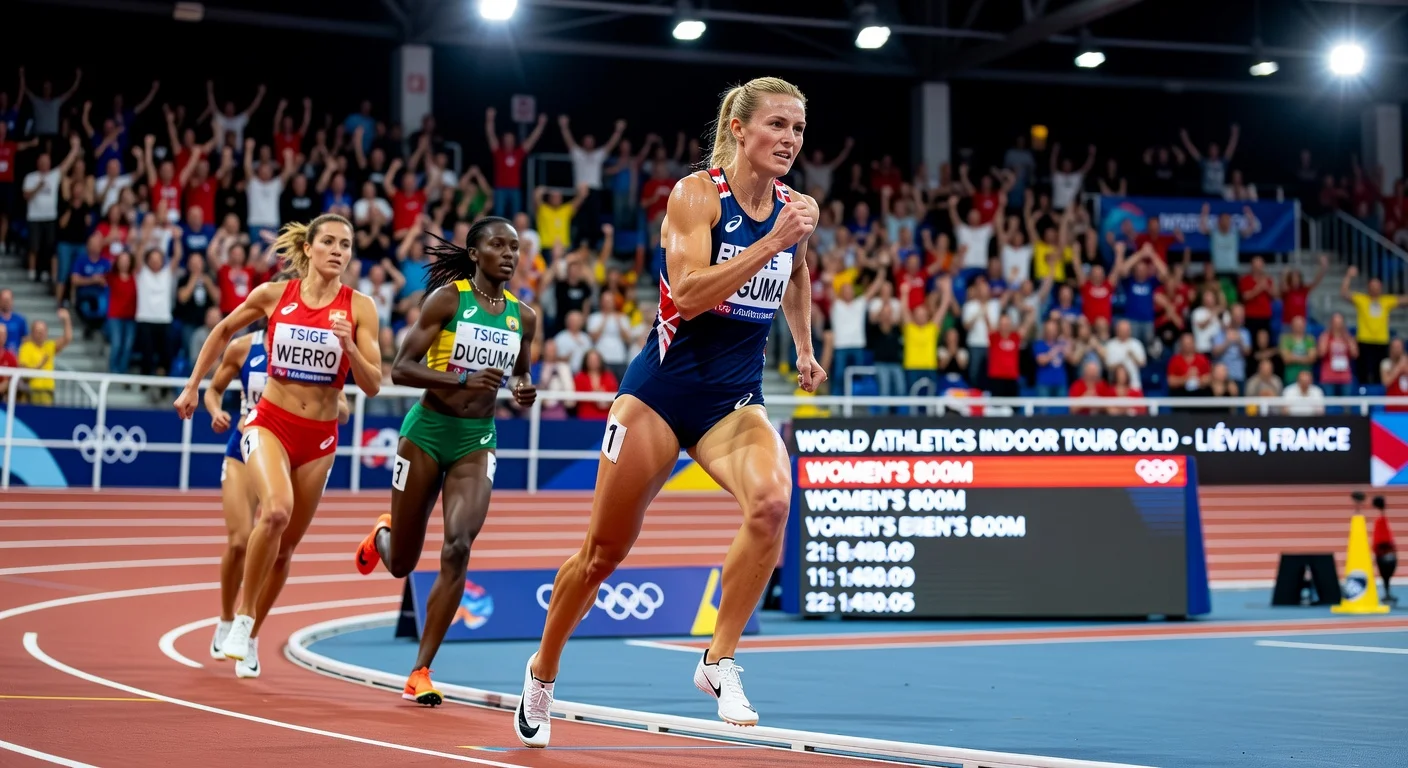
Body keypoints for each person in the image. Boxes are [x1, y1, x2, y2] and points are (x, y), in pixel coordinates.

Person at [514, 76, 823, 748]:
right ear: (740, 129)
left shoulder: (799, 208)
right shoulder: (695, 195)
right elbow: (685, 296)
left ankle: (718, 661)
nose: (790, 141)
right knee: (602, 554)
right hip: (659, 394)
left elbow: (797, 274)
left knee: (772, 504)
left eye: (798, 129)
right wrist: (769, 245)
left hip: (733, 400)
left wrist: (802, 345)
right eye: (777, 125)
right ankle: (542, 670)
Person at [174, 213, 381, 677]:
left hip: (321, 437)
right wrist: (194, 387)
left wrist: (350, 349)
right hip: (268, 422)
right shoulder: (274, 296)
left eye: (345, 245)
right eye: (328, 241)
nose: (337, 251)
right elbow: (223, 331)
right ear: (307, 248)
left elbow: (373, 386)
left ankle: (249, 634)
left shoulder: (361, 308)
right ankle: (239, 619)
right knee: (276, 512)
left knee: (286, 550)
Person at [352, 217, 537, 706]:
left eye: (515, 247)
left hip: (477, 441)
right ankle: (383, 536)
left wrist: (522, 388)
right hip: (426, 435)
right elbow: (400, 369)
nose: (509, 254)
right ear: (475, 254)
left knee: (457, 545)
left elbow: (520, 370)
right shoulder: (448, 300)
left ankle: (420, 670)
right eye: (498, 245)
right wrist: (461, 380)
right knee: (404, 565)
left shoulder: (526, 316)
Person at [202, 316, 349, 675]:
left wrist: (329, 407)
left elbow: (343, 406)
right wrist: (216, 410)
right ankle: (226, 619)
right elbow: (214, 389)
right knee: (238, 541)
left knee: (281, 544)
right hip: (246, 444)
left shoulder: (312, 346)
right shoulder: (243, 347)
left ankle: (250, 634)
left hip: (293, 444)